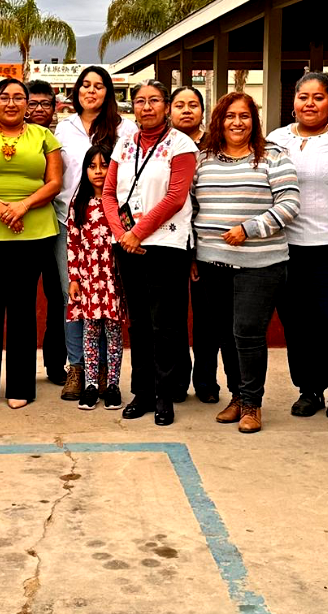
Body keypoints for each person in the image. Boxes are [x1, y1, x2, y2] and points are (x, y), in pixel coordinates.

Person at [193, 93, 300, 434]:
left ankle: (253, 404)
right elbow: (190, 207)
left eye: (244, 116)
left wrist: (249, 229)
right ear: (218, 121)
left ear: (254, 120)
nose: (237, 122)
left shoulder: (272, 156)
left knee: (248, 333)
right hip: (212, 262)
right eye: (229, 116)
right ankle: (237, 396)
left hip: (261, 263)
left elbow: (289, 204)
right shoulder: (203, 159)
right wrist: (193, 253)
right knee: (225, 333)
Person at [0, 78, 63, 408]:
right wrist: (2, 209)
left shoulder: (44, 136)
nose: (13, 103)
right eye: (5, 97)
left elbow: (55, 181)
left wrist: (23, 206)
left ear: (28, 105)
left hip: (32, 230)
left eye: (20, 98)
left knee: (22, 308)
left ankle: (21, 387)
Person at [102, 80, 198, 426]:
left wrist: (138, 232)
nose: (146, 106)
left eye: (154, 100)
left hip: (167, 246)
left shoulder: (181, 144)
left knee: (165, 325)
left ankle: (164, 395)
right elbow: (108, 193)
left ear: (166, 106)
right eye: (140, 101)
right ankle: (141, 393)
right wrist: (121, 233)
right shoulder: (125, 143)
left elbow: (175, 197)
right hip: (128, 246)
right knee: (139, 323)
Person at [266, 72, 328, 419]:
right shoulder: (276, 138)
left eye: (318, 97)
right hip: (286, 247)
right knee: (297, 324)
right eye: (303, 96)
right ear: (294, 101)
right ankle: (309, 389)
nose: (310, 104)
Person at [53, 66, 137, 401]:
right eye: (85, 85)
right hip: (70, 222)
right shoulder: (64, 128)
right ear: (76, 91)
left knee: (112, 300)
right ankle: (78, 368)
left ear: (108, 92)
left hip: (115, 227)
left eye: (98, 86)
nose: (91, 91)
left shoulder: (124, 128)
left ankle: (105, 372)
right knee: (73, 298)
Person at [66, 145, 125, 411]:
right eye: (93, 166)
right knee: (90, 332)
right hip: (89, 277)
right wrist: (75, 278)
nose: (99, 172)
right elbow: (73, 243)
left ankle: (112, 385)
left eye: (104, 165)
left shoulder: (119, 202)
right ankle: (90, 385)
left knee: (113, 332)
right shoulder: (79, 203)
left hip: (113, 277)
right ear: (85, 170)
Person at [168, 85, 208, 401]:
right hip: (173, 242)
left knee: (209, 320)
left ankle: (207, 383)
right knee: (174, 316)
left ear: (202, 111)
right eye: (179, 104)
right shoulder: (163, 146)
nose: (186, 110)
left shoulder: (215, 146)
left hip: (210, 241)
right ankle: (177, 380)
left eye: (193, 104)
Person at [28, 79, 67, 386]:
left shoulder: (64, 138)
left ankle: (57, 365)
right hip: (19, 228)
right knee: (22, 300)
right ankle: (23, 367)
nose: (38, 109)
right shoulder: (6, 138)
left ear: (54, 109)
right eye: (33, 103)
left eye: (45, 104)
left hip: (58, 227)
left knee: (59, 297)